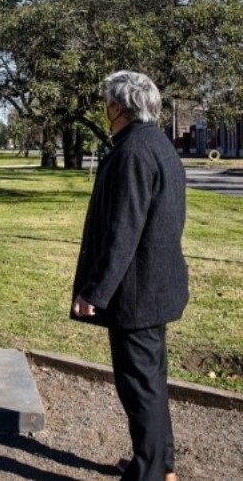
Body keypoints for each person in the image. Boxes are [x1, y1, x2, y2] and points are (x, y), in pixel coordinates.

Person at [71, 71, 187, 481]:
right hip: (155, 285)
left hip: (137, 291)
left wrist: (95, 292)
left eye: (108, 102)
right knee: (150, 383)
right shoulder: (158, 145)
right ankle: (162, 465)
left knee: (140, 387)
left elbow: (123, 232)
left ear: (118, 107)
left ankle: (151, 473)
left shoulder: (133, 152)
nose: (106, 108)